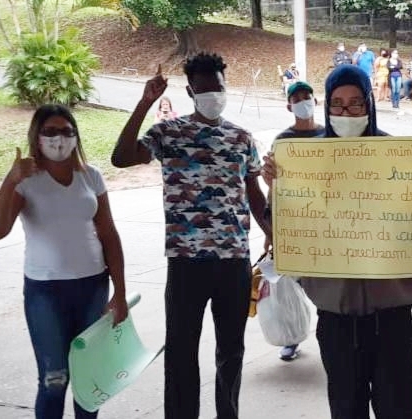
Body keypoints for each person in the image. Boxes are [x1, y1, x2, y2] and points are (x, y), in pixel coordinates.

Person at [261, 64, 412, 419]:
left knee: (396, 407)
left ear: (369, 103)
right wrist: (276, 188)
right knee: (345, 407)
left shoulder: (399, 157)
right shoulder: (304, 160)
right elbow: (282, 226)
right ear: (327, 108)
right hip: (335, 318)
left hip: (392, 317)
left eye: (355, 103)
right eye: (337, 104)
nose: (346, 112)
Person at [111, 56, 271, 419]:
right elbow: (121, 158)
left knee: (231, 352)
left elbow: (254, 192)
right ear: (190, 91)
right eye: (205, 88)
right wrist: (144, 104)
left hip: (233, 261)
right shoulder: (168, 134)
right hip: (186, 263)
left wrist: (270, 231)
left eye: (219, 87)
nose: (213, 94)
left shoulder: (241, 139)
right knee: (182, 351)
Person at [0, 104, 129, 419]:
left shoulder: (91, 176)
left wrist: (120, 291)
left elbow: (109, 234)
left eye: (66, 131)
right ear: (37, 137)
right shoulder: (26, 181)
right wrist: (10, 181)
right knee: (54, 379)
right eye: (50, 132)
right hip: (44, 292)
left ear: (76, 136)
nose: (58, 139)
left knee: (88, 379)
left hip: (92, 286)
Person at [266, 80, 326, 362]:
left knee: (325, 287)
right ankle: (292, 338)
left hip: (326, 225)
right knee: (292, 285)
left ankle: (329, 338)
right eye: (297, 98)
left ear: (315, 101)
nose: (302, 101)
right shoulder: (283, 142)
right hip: (293, 224)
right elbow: (274, 189)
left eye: (307, 96)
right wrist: (270, 232)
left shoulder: (331, 136)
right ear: (288, 105)